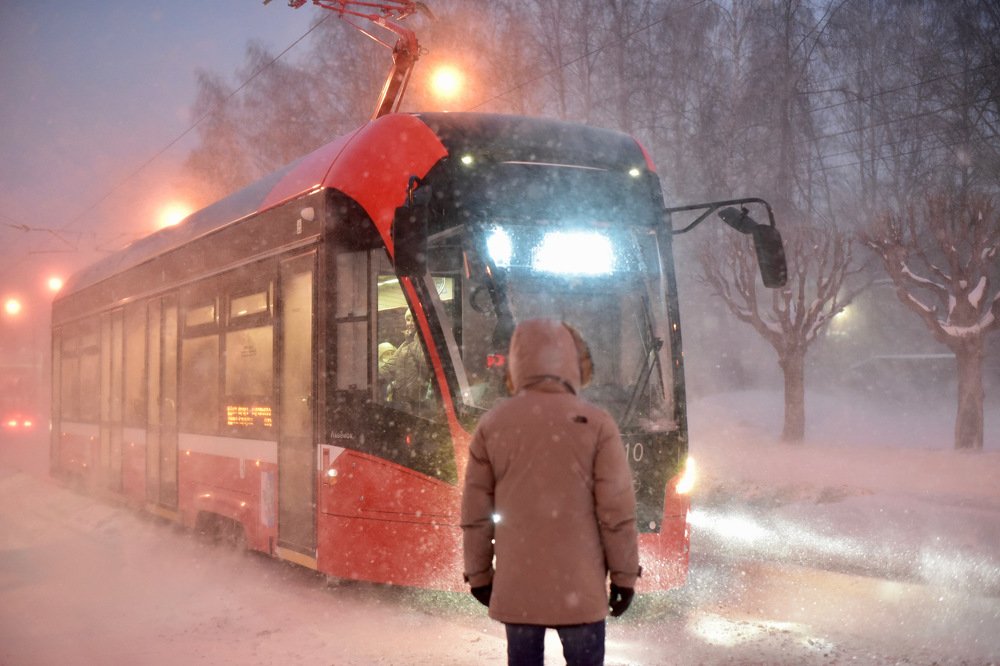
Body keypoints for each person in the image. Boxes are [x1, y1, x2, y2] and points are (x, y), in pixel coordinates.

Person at [461, 318, 641, 666]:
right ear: (573, 361)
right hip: (581, 590)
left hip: (519, 590)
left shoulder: (493, 424)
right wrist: (624, 576)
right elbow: (617, 512)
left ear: (517, 362)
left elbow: (476, 513)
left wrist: (479, 574)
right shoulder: (597, 423)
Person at [387, 309, 431, 408]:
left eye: (414, 320)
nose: (410, 323)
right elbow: (391, 365)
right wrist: (393, 383)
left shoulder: (424, 339)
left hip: (417, 400)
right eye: (408, 320)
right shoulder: (408, 341)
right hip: (403, 397)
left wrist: (410, 342)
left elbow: (425, 362)